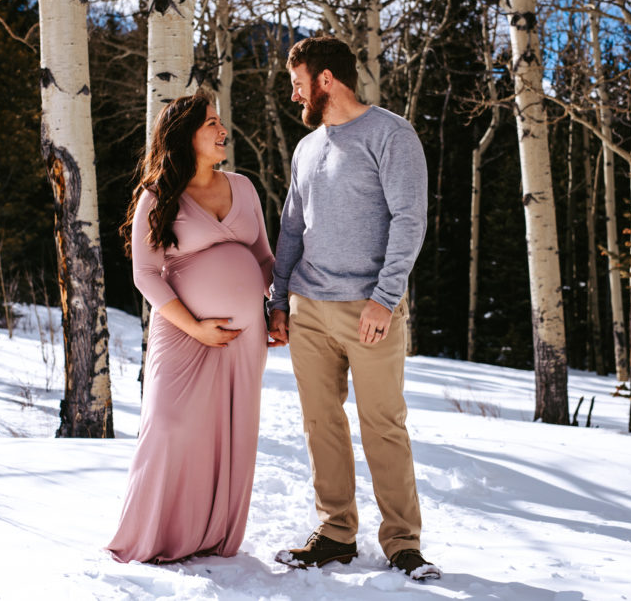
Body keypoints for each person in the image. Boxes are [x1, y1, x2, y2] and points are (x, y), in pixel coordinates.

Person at [267, 36, 440, 581]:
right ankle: (336, 532)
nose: (293, 94)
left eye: (298, 83)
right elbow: (292, 227)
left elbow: (410, 220)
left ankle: (402, 543)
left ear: (325, 80)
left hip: (370, 308)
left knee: (382, 424)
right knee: (322, 424)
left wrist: (385, 299)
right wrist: (278, 299)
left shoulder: (391, 134)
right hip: (308, 306)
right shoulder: (307, 147)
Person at [106, 92, 275, 564]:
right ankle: (153, 536)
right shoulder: (157, 196)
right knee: (170, 426)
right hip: (182, 334)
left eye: (221, 122)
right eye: (212, 124)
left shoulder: (243, 188)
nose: (223, 131)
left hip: (245, 340)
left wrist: (277, 309)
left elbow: (264, 259)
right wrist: (196, 327)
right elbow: (145, 273)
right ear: (185, 136)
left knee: (232, 433)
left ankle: (214, 536)